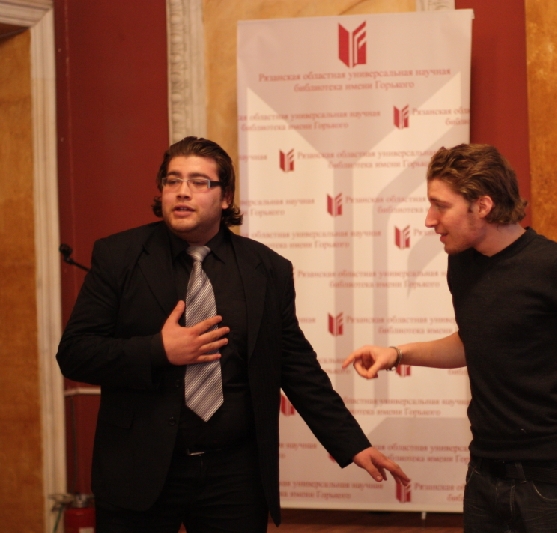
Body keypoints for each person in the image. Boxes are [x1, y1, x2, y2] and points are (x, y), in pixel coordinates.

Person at [56, 136, 409, 532]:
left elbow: (296, 367)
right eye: (173, 180)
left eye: (199, 182)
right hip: (140, 468)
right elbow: (75, 353)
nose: (183, 191)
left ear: (225, 197)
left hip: (233, 475)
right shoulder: (119, 256)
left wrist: (353, 443)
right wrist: (158, 350)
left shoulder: (267, 269)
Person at [343, 143, 557, 533]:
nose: (429, 220)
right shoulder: (462, 263)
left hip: (551, 480)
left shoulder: (555, 266)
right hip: (484, 473)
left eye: (441, 206)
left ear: (483, 205)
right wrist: (397, 353)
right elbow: (471, 342)